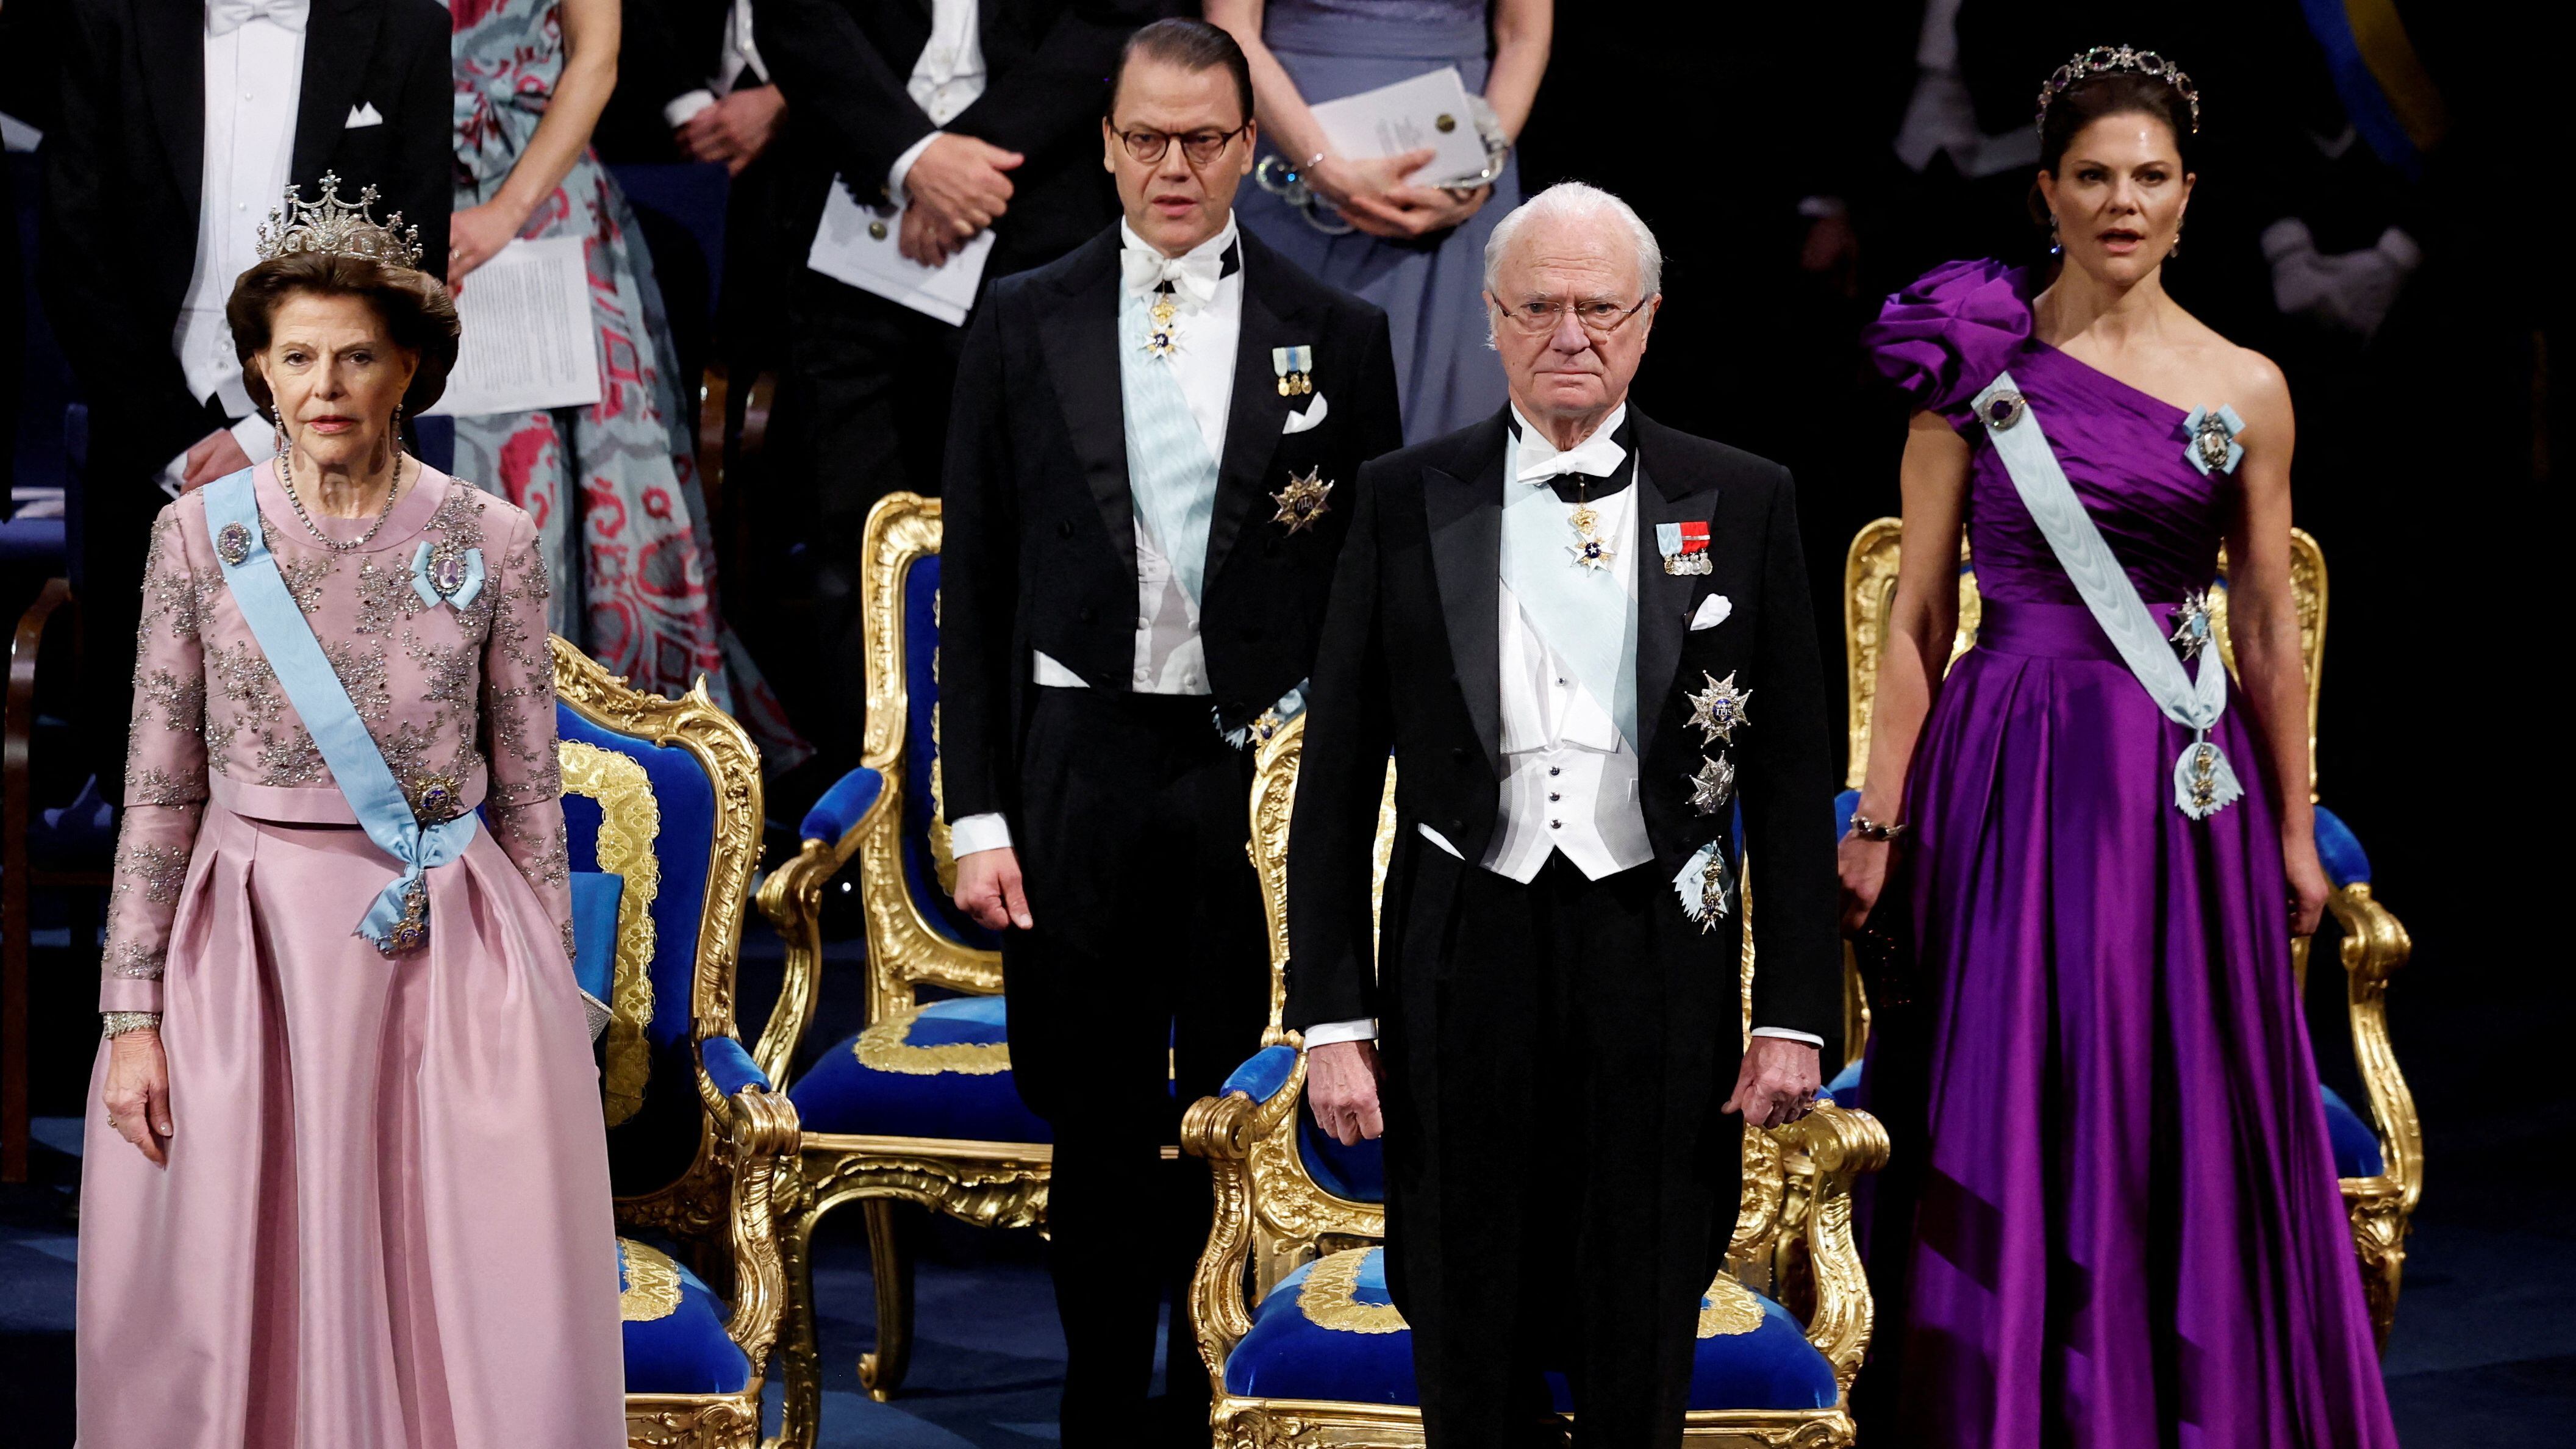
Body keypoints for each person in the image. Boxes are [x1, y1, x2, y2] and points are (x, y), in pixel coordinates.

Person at [1838, 49, 2398, 1447]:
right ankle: (2010, 1398)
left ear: (2189, 194)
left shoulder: (2247, 385)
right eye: (2091, 175)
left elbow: (2265, 625)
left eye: (2148, 176)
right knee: (2019, 1083)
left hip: (2177, 786)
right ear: (2044, 189)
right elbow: (1913, 615)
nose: (2119, 200)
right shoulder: (1970, 364)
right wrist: (1878, 815)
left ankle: (2178, 1396)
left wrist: (2287, 826)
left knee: (2174, 1092)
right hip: (2011, 764)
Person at [1285, 181, 1842, 1448]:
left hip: (1660, 947)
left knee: (1644, 1303)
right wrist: (1331, 1018)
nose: (1570, 335)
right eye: (1539, 307)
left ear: (1647, 322)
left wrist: (1794, 1014)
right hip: (1458, 944)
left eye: (1599, 307)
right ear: (1491, 319)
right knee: (1462, 1301)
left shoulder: (1744, 498)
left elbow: (1792, 782)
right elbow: (1334, 790)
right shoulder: (1401, 495)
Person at [78, 182, 621, 1446]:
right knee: (242, 1273)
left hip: (447, 947)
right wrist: (133, 1016)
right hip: (247, 946)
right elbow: (158, 792)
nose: (324, 387)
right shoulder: (194, 537)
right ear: (261, 371)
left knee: (465, 1276)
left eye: (356, 357)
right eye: (297, 357)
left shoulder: (493, 534)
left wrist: (552, 995)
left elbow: (534, 792)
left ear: (411, 367)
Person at [938, 20, 1401, 1443]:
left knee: (1224, 1099)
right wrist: (975, 811)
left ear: (1247, 147)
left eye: (1203, 139)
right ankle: (1096, 1398)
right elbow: (980, 581)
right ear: (1104, 141)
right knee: (1092, 1116)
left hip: (1255, 775)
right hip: (1077, 765)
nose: (1174, 166)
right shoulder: (1021, 314)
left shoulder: (1339, 331)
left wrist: (1353, 807)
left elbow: (1370, 595)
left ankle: (1211, 1394)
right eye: (1147, 137)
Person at [41, 0, 452, 785]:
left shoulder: (406, 30)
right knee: (155, 784)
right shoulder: (110, 22)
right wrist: (179, 443)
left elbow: (406, 271)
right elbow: (75, 256)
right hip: (146, 460)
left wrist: (270, 437)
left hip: (347, 469)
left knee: (350, 783)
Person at [751, 0, 1156, 776]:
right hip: (854, 213)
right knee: (856, 547)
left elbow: (1113, 20)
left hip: (1039, 223)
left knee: (1037, 537)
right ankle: (870, 830)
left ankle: (1018, 808)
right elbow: (795, 17)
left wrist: (971, 162)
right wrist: (910, 159)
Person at [451, 0, 803, 765]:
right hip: (413, 195)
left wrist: (504, 214)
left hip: (538, 205)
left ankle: (602, 763)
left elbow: (596, 59)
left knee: (553, 491)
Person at [1209, 0, 1548, 443]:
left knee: (1451, 445)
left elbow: (1523, 35)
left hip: (1460, 173)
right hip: (1288, 153)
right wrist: (1322, 167)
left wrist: (1482, 168)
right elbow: (1232, 25)